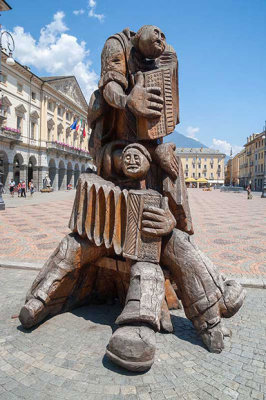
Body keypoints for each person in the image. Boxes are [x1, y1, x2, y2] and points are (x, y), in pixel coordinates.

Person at [19, 25, 245, 372]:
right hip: (110, 188)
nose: (161, 39)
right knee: (73, 246)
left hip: (146, 205)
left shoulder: (162, 91)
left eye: (164, 38)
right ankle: (45, 296)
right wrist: (127, 105)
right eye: (155, 34)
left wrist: (171, 207)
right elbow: (109, 88)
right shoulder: (117, 48)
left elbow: (175, 201)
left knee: (163, 244)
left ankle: (182, 315)